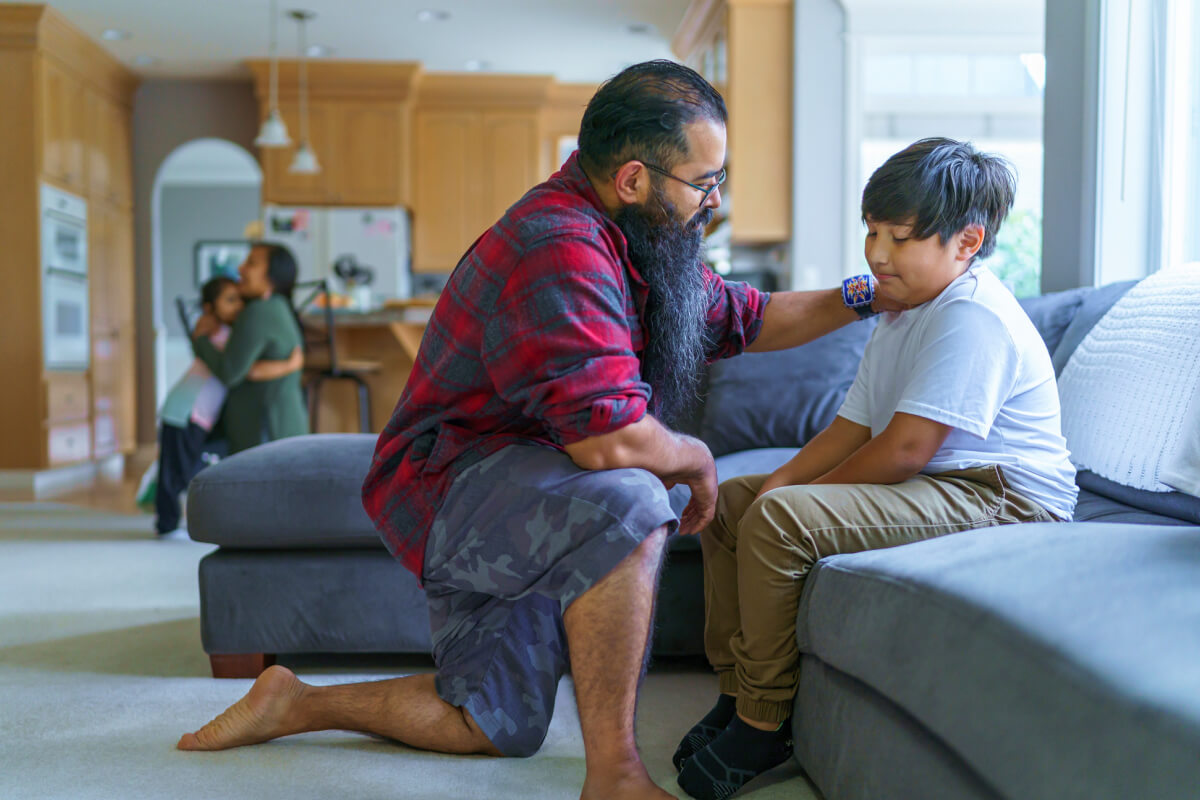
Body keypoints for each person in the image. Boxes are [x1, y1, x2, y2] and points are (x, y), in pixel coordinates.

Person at [176, 60, 903, 800]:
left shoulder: (635, 243)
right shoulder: (559, 247)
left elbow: (747, 315)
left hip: (527, 481)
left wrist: (872, 293)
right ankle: (615, 775)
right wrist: (695, 458)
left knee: (495, 725)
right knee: (633, 498)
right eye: (703, 181)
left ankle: (294, 700)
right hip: (451, 484)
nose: (713, 201)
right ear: (633, 180)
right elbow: (609, 438)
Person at [672, 137, 1079, 800]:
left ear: (966, 243)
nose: (878, 254)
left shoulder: (970, 314)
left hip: (1004, 494)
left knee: (777, 518)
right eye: (872, 232)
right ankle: (734, 688)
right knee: (738, 501)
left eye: (901, 237)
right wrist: (775, 486)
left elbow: (905, 450)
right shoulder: (900, 309)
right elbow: (851, 427)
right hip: (943, 480)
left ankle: (762, 720)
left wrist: (788, 505)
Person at [153, 276, 302, 535]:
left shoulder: (226, 333)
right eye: (230, 300)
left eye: (240, 300)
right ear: (210, 309)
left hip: (198, 414)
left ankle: (176, 517)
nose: (239, 306)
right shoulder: (219, 335)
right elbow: (240, 371)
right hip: (186, 411)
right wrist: (289, 366)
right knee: (175, 471)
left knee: (185, 466)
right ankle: (166, 523)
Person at [190, 243, 309, 454]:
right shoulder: (277, 305)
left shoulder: (258, 312)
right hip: (282, 428)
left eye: (251, 263)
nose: (240, 269)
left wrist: (199, 339)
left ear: (271, 276)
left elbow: (229, 373)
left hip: (266, 433)